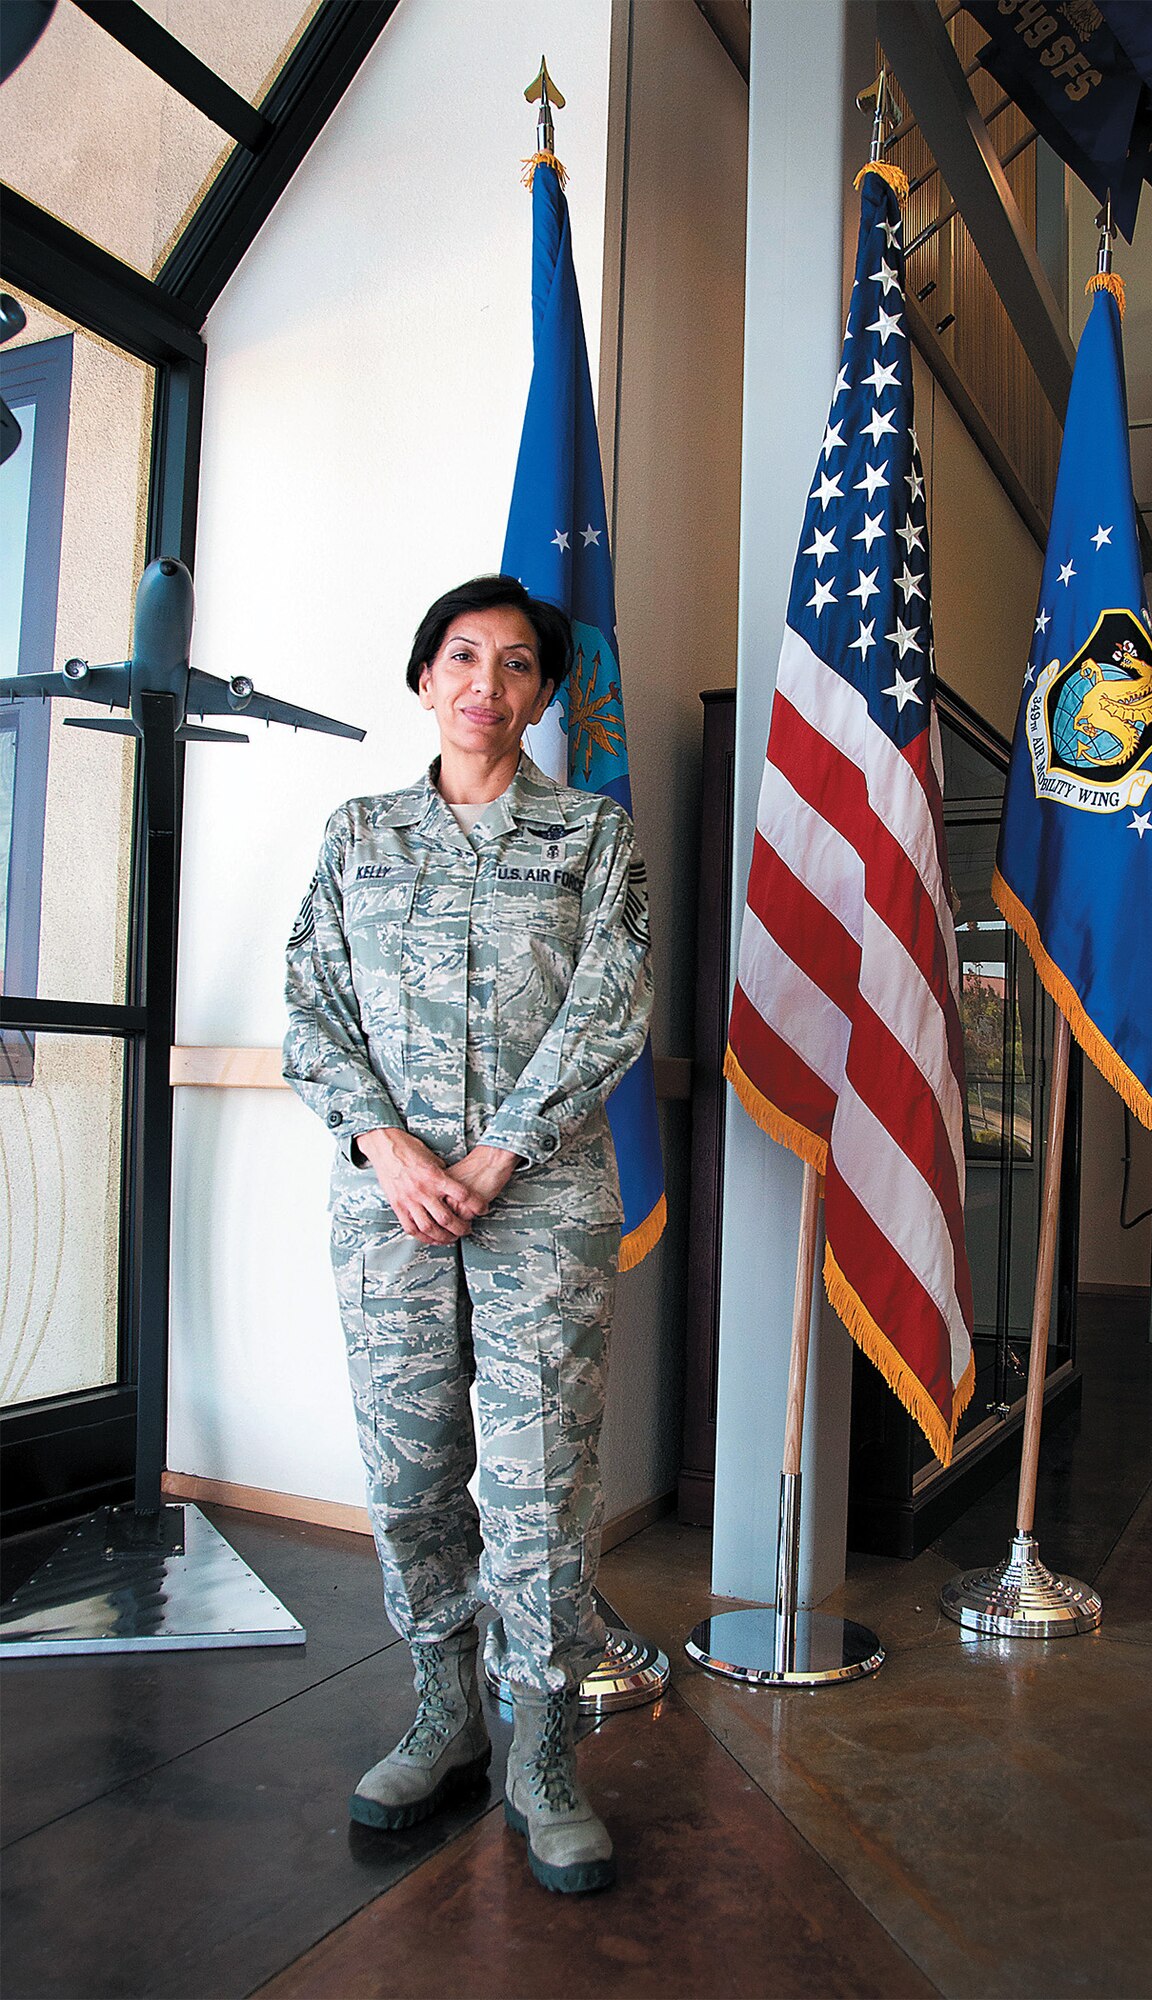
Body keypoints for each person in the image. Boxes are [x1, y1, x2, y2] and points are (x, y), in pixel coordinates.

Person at [283, 574, 652, 1895]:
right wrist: (391, 1148)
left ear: (543, 694)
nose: (483, 686)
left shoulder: (591, 837)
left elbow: (610, 1003)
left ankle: (542, 1749)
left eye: (512, 666)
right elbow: (309, 1006)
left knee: (540, 1477)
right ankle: (442, 1713)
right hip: (388, 1210)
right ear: (423, 678)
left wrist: (493, 1157)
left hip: (538, 1205)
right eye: (460, 657)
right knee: (409, 1470)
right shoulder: (358, 835)